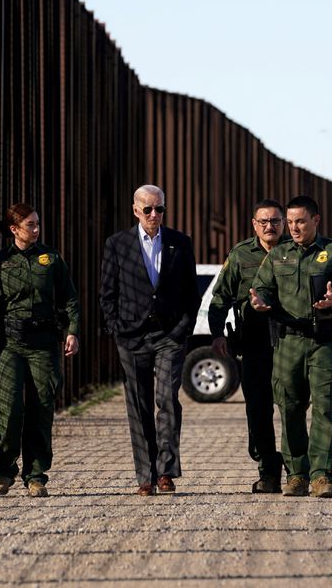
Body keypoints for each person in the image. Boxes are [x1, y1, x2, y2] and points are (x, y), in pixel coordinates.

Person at [0, 203, 80, 498]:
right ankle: (4, 472)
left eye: (37, 223)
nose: (36, 229)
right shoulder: (0, 262)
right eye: (30, 224)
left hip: (43, 343)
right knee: (9, 408)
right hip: (10, 345)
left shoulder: (51, 258)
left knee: (41, 407)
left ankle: (36, 475)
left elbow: (69, 297)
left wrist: (72, 331)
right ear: (13, 229)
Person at [250, 195, 332, 498]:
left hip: (323, 340)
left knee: (324, 407)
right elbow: (262, 288)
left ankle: (321, 476)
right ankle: (296, 475)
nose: (294, 227)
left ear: (315, 220)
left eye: (300, 221)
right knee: (290, 408)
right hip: (287, 342)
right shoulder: (278, 254)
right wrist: (259, 301)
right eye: (291, 221)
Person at [100, 184, 201, 496]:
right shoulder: (117, 244)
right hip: (131, 336)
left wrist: (182, 329)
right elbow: (107, 292)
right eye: (148, 209)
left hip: (169, 334)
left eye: (160, 209)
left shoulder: (179, 243)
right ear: (135, 210)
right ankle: (146, 475)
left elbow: (190, 293)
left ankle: (166, 470)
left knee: (167, 398)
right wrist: (117, 327)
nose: (154, 215)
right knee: (139, 404)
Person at [208, 199, 287, 494]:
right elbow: (220, 299)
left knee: (292, 406)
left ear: (284, 223)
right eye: (263, 221)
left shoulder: (295, 252)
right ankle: (268, 469)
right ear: (254, 224)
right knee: (258, 409)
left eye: (275, 221)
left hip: (291, 342)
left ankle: (297, 469)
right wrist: (217, 334)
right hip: (254, 343)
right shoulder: (241, 255)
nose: (270, 227)